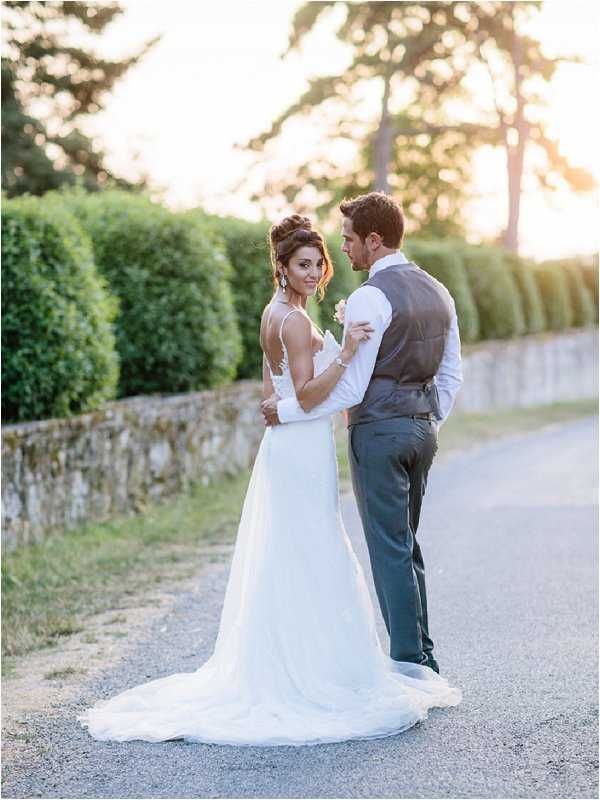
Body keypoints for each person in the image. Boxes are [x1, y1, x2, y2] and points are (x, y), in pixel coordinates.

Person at [77, 212, 461, 747]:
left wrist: (286, 405)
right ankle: (320, 670)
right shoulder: (299, 321)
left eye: (321, 261)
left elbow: (274, 394)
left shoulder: (273, 314)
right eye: (304, 264)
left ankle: (294, 660)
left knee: (295, 551)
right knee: (315, 548)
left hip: (288, 446)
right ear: (281, 267)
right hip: (304, 447)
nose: (317, 271)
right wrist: (346, 354)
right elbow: (304, 396)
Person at [261, 193, 464, 676]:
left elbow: (351, 384)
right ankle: (425, 657)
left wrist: (287, 411)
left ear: (374, 241)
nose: (344, 250)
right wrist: (428, 418)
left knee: (390, 548)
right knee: (406, 543)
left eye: (349, 239)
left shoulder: (372, 296)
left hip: (379, 433)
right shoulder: (439, 290)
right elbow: (453, 372)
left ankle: (410, 663)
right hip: (422, 431)